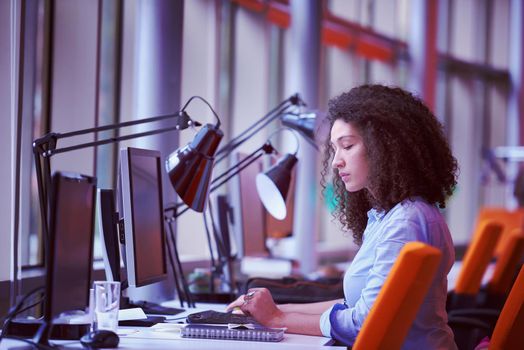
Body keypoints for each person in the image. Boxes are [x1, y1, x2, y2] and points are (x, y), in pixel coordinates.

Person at [226, 84, 459, 349]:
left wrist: (277, 318)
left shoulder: (406, 223)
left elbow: (365, 322)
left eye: (347, 146)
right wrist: (279, 310)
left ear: (384, 147)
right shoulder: (392, 216)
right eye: (334, 149)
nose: (336, 161)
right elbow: (356, 307)